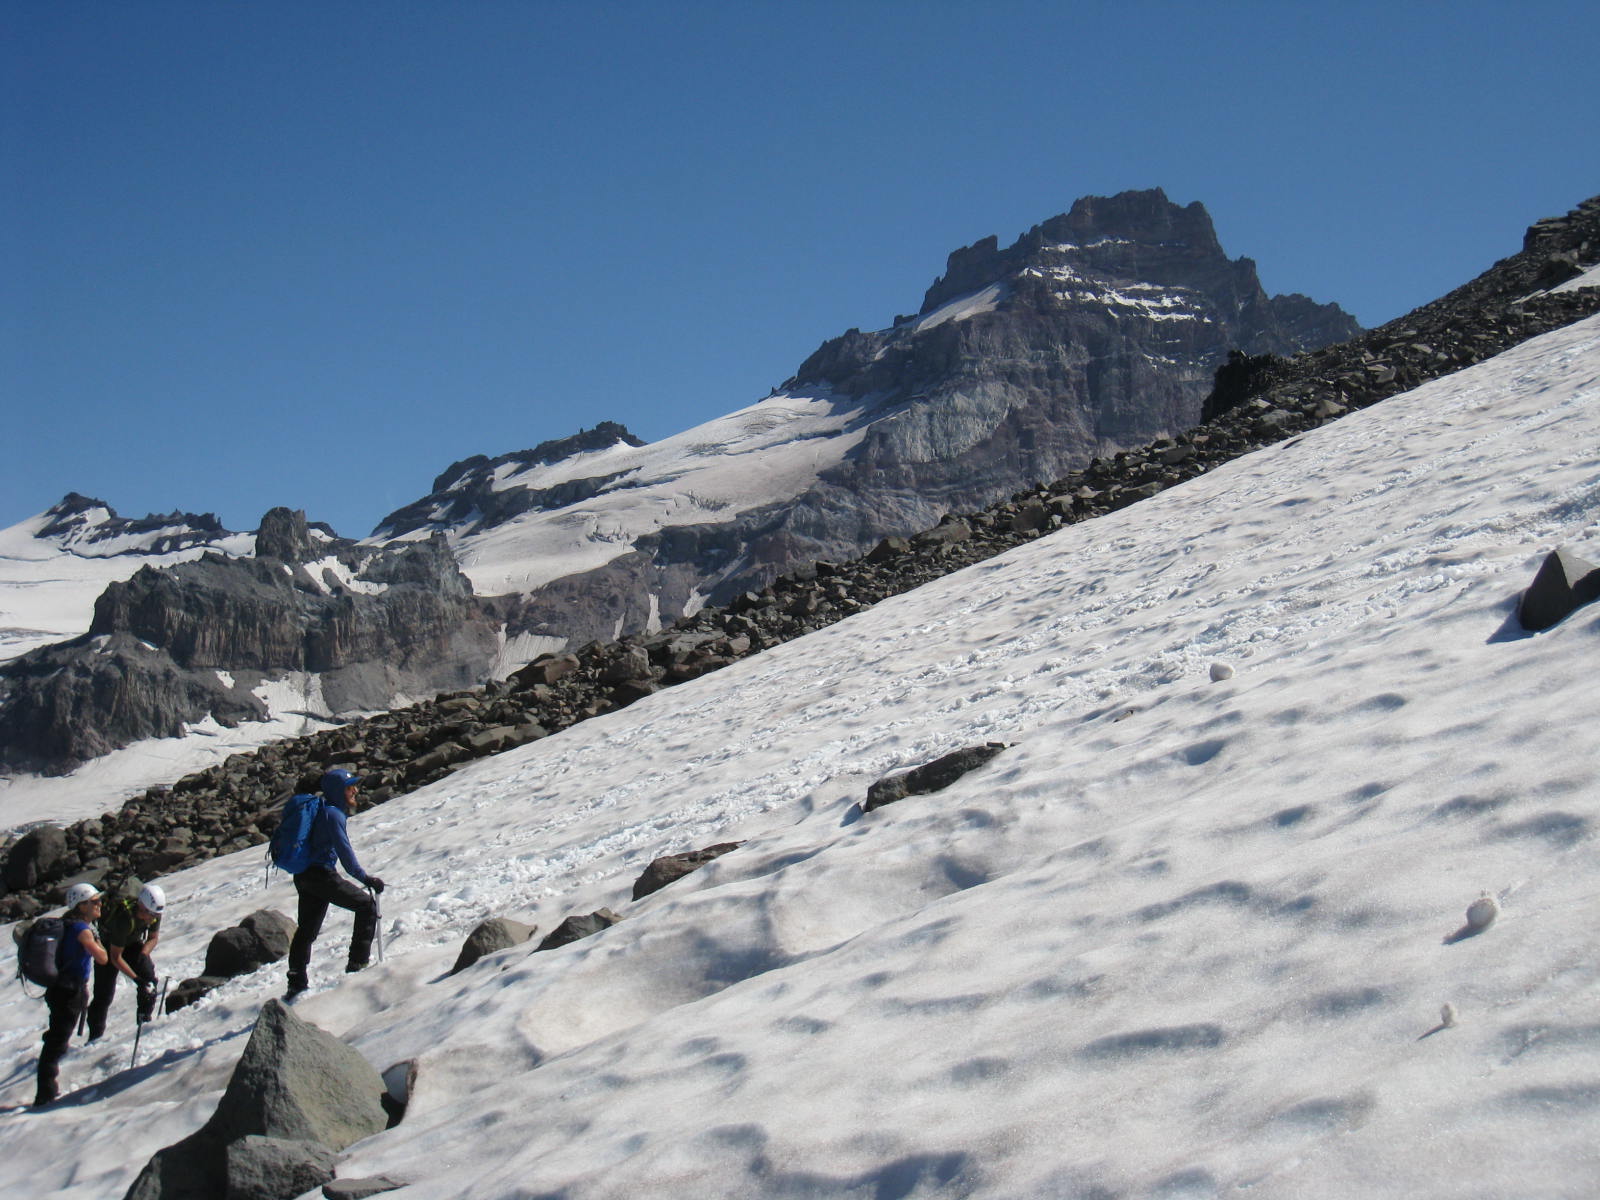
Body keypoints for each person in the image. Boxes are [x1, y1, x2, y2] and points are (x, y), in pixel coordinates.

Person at [285, 768, 385, 998]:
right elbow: (345, 854)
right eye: (351, 787)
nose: (355, 791)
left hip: (304, 876)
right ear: (338, 791)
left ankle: (296, 980)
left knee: (307, 929)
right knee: (366, 906)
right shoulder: (333, 815)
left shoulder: (320, 810)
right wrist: (366, 879)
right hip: (322, 875)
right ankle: (357, 964)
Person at [36, 882, 109, 1107]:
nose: (100, 905)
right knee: (58, 1040)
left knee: (57, 1036)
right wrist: (96, 938)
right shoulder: (81, 930)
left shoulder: (68, 923)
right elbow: (102, 958)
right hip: (70, 991)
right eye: (95, 902)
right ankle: (45, 1093)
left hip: (59, 989)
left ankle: (47, 1088)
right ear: (82, 905)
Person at [86, 882, 165, 1041]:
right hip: (109, 946)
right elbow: (115, 958)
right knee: (104, 995)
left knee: (149, 983)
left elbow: (153, 938)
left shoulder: (155, 912)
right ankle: (95, 1036)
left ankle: (144, 1024)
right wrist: (137, 979)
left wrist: (143, 956)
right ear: (140, 905)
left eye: (153, 915)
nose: (150, 919)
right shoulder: (125, 918)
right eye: (147, 913)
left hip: (131, 943)